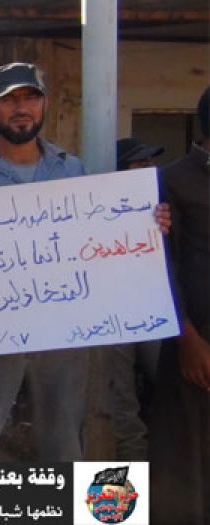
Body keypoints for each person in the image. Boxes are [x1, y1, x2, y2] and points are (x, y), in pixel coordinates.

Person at [0, 62, 171, 461]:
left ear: (44, 104)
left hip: (62, 334)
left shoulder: (72, 170)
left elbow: (98, 239)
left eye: (30, 97)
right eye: (9, 100)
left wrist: (147, 222)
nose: (21, 108)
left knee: (63, 443)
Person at [149, 86, 210, 524]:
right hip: (196, 344)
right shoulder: (172, 180)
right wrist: (187, 338)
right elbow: (159, 266)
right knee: (186, 459)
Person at [104, 137, 165, 460]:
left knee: (169, 386)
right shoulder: (96, 210)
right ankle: (130, 474)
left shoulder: (158, 208)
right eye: (139, 163)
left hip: (150, 310)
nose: (149, 169)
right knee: (121, 403)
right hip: (110, 318)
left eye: (149, 163)